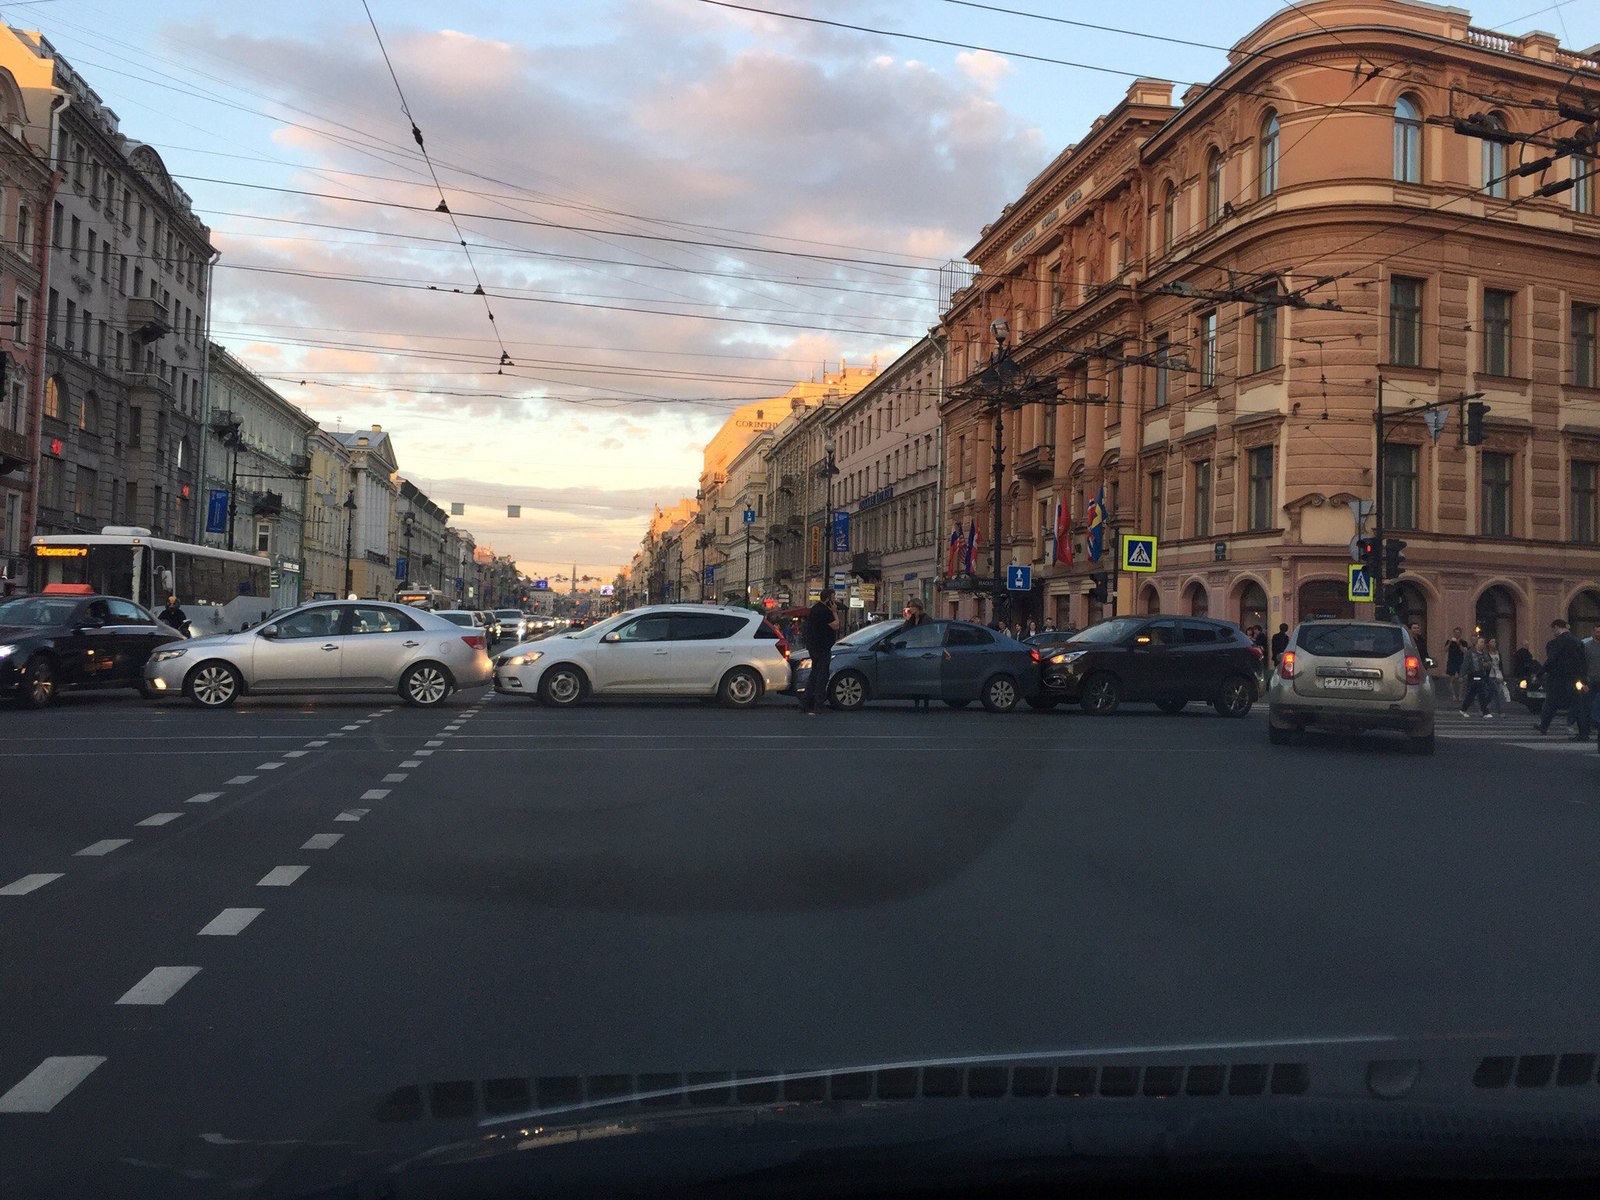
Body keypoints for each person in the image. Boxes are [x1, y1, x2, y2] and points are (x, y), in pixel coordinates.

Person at [1537, 618, 1590, 739]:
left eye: (1553, 630)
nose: (1553, 632)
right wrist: (1584, 681)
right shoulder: (1578, 642)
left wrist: (1539, 674)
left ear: (1556, 627)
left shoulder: (1556, 643)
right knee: (1578, 705)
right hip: (1574, 678)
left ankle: (1544, 726)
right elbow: (1583, 662)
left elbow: (1550, 661)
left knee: (1550, 703)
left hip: (1558, 678)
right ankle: (1584, 733)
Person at [800, 592, 839, 714]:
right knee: (822, 676)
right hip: (822, 648)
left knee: (814, 674)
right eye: (832, 598)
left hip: (814, 647)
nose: (834, 601)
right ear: (827, 599)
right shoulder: (824, 612)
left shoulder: (814, 610)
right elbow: (836, 625)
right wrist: (834, 612)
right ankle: (818, 704)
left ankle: (806, 702)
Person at [903, 600, 933, 711]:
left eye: (912, 607)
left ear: (918, 607)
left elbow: (930, 634)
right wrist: (907, 619)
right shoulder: (911, 619)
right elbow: (904, 632)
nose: (910, 609)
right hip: (913, 649)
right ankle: (916, 701)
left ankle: (925, 701)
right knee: (915, 674)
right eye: (909, 607)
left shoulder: (926, 619)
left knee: (924, 675)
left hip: (924, 649)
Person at [1459, 636, 1494, 718]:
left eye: (1483, 642)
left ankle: (1463, 709)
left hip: (1482, 675)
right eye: (1481, 642)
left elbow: (1490, 663)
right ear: (1477, 643)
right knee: (1481, 692)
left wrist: (1487, 664)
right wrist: (1461, 675)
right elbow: (1465, 665)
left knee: (1472, 693)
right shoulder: (1470, 653)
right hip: (1473, 675)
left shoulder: (1485, 654)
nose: (1483, 644)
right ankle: (1485, 711)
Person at [1486, 636, 1508, 717]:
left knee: (1492, 693)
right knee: (1496, 692)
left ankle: (1484, 706)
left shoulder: (1498, 654)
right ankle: (1500, 711)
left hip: (1498, 675)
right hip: (1490, 675)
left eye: (1495, 642)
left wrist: (1502, 675)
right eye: (1492, 642)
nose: (1494, 643)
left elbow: (1500, 665)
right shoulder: (1486, 654)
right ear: (1488, 644)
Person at [1444, 627, 1467, 703]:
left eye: (1458, 632)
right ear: (1453, 633)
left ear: (1460, 633)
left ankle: (1460, 696)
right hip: (1451, 662)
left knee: (1461, 680)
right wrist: (1450, 643)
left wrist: (1459, 643)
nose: (1457, 634)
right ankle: (1453, 695)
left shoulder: (1464, 642)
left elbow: (1465, 651)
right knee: (1451, 679)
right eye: (1455, 632)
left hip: (1460, 662)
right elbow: (1445, 650)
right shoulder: (1449, 641)